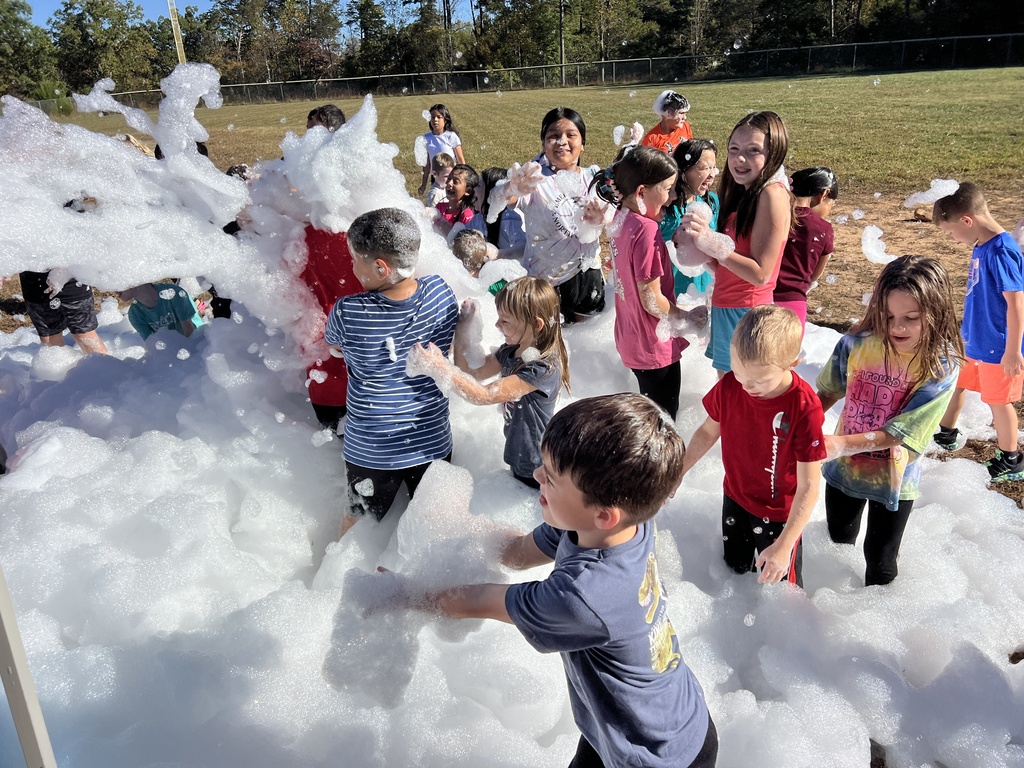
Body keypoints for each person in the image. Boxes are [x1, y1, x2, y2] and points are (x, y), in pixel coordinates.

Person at [422, 394, 717, 768]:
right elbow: (518, 551)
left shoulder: (583, 597)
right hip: (638, 718)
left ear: (605, 515)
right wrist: (456, 529)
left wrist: (405, 594)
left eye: (552, 478)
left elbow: (480, 601)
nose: (536, 476)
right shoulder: (616, 522)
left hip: (652, 754)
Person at [816, 255, 963, 586]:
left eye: (911, 318)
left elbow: (900, 433)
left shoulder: (940, 367)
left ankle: (874, 625)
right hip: (843, 470)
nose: (897, 327)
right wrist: (796, 424)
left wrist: (838, 444)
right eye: (888, 316)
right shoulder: (856, 343)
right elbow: (826, 393)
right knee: (836, 542)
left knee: (881, 560)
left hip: (896, 478)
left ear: (936, 312)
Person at [324, 208, 458, 539]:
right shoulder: (441, 291)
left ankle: (331, 579)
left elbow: (336, 348)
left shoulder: (349, 312)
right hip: (431, 441)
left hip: (372, 449)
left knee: (357, 525)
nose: (352, 267)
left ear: (381, 268)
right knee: (433, 531)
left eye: (356, 259)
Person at [681, 306, 825, 587]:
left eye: (759, 380)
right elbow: (708, 432)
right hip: (735, 497)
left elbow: (809, 485)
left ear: (792, 363)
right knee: (734, 573)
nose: (746, 386)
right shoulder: (731, 386)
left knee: (783, 591)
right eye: (738, 373)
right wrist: (679, 471)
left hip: (780, 515)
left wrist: (785, 546)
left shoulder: (803, 407)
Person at [413, 276, 569, 488]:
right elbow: (471, 374)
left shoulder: (542, 369)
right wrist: (461, 336)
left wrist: (440, 369)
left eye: (505, 321)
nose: (497, 324)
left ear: (536, 324)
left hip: (538, 465)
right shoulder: (510, 351)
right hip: (519, 455)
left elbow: (483, 395)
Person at [596, 146, 708, 419]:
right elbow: (651, 299)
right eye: (667, 189)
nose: (671, 198)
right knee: (664, 419)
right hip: (653, 343)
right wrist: (688, 317)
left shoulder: (620, 218)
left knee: (649, 413)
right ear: (642, 192)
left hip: (630, 336)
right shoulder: (646, 230)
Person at [680, 111, 792, 376]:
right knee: (729, 398)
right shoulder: (744, 193)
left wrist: (710, 242)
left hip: (746, 313)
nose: (740, 159)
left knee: (740, 401)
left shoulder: (771, 195)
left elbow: (760, 274)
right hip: (728, 308)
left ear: (774, 152)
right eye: (734, 149)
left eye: (753, 150)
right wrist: (702, 253)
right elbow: (732, 269)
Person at [931, 182, 1024, 482]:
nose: (952, 239)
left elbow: (1016, 304)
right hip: (974, 340)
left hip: (998, 346)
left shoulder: (1002, 251)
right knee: (957, 382)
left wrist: (1013, 350)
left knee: (999, 402)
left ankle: (1011, 458)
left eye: (950, 232)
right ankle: (946, 433)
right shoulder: (982, 246)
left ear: (966, 221)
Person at [513, 107, 606, 323]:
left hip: (589, 276)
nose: (562, 141)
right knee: (548, 346)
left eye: (570, 135)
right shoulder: (535, 181)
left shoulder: (594, 178)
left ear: (582, 144)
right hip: (547, 284)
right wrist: (511, 188)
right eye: (553, 136)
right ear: (544, 145)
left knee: (587, 346)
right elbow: (506, 200)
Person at [300, 226, 359, 434]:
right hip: (366, 385)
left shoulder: (296, 235)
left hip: (321, 381)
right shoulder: (362, 233)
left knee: (335, 450)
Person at [773, 167, 838, 330]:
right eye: (831, 205)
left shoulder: (774, 215)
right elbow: (814, 275)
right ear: (823, 195)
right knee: (789, 355)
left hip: (762, 298)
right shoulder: (824, 229)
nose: (829, 211)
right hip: (794, 303)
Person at [661, 138, 720, 296]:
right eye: (705, 168)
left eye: (713, 168)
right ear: (684, 170)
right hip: (672, 297)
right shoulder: (664, 209)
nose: (712, 174)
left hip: (702, 294)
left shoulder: (711, 202)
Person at [120, 283, 205, 340]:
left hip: (200, 340)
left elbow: (190, 332)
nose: (115, 288)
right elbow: (151, 345)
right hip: (172, 351)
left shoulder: (172, 293)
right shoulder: (135, 314)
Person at [418, 104, 465, 196]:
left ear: (445, 120)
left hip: (451, 176)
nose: (435, 120)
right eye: (432, 117)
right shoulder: (426, 138)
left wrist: (463, 179)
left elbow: (461, 160)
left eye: (439, 117)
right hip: (436, 178)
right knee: (438, 200)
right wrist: (423, 185)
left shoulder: (451, 136)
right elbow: (426, 165)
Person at [641, 90, 694, 155]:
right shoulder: (651, 139)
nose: (685, 118)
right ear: (668, 113)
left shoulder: (685, 126)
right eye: (681, 113)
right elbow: (648, 163)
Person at [435, 163, 480, 236]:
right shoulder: (439, 207)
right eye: (449, 179)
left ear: (467, 191)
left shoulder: (467, 216)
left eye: (455, 181)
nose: (449, 183)